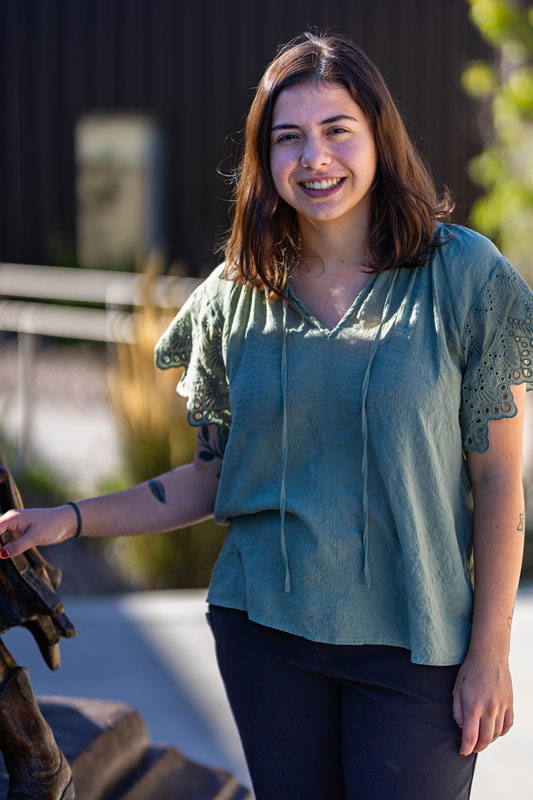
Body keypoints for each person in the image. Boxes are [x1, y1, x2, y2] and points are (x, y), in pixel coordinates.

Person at [0, 31, 531, 800]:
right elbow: (212, 478)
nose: (314, 158)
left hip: (419, 647)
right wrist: (66, 520)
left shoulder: (464, 277)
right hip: (267, 641)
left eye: (335, 130)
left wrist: (490, 652)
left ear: (378, 136)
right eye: (288, 138)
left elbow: (501, 480)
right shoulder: (234, 296)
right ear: (264, 158)